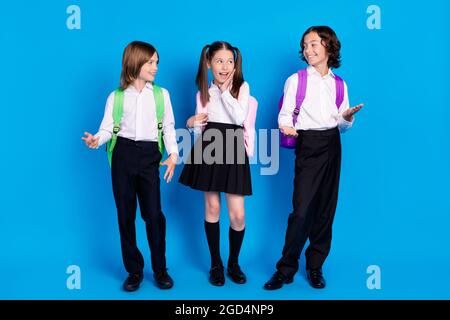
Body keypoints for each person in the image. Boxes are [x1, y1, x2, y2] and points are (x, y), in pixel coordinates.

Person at [264, 26, 363, 290]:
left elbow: (342, 125)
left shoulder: (340, 84)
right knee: (302, 209)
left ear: (329, 47)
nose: (308, 50)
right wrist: (286, 126)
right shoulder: (296, 80)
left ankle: (315, 266)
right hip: (307, 143)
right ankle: (285, 268)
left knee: (325, 209)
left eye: (314, 44)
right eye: (305, 45)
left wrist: (348, 117)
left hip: (332, 143)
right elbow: (285, 115)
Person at [82, 41, 178, 291]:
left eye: (157, 62)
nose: (155, 67)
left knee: (153, 215)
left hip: (149, 156)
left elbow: (167, 126)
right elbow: (106, 129)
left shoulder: (161, 95)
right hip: (122, 155)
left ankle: (160, 269)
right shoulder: (116, 97)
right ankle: (134, 270)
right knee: (126, 215)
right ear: (135, 62)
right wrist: (96, 139)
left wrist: (174, 154)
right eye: (151, 62)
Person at [179, 41, 252, 286]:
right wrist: (191, 123)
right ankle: (215, 264)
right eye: (219, 61)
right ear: (209, 63)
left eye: (230, 61)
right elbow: (201, 129)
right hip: (209, 146)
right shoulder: (202, 92)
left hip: (233, 144)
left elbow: (240, 117)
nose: (225, 66)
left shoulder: (242, 87)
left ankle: (233, 262)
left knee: (238, 215)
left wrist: (222, 91)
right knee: (212, 208)